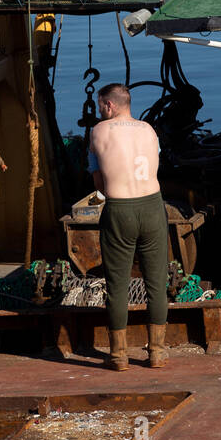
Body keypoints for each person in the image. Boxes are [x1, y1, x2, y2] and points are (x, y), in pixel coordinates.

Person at [88, 84, 169, 371]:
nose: (99, 111)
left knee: (117, 285)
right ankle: (157, 353)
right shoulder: (149, 130)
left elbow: (98, 182)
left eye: (100, 106)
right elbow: (156, 165)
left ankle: (119, 356)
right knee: (157, 282)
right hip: (152, 206)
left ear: (109, 105)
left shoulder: (98, 131)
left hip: (119, 209)